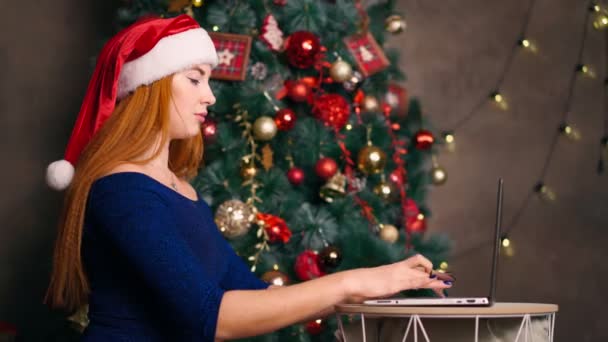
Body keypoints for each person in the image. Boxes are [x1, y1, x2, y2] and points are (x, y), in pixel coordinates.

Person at [44, 14, 452, 341]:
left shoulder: (179, 190)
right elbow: (212, 317)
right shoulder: (123, 191)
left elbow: (255, 297)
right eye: (194, 79)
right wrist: (351, 283)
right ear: (148, 88)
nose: (211, 96)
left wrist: (381, 285)